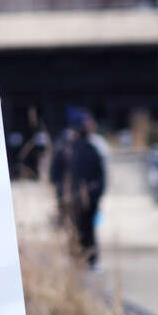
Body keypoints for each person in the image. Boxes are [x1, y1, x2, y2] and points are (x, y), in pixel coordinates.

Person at [50, 108, 105, 268]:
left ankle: (91, 260)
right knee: (73, 230)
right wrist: (64, 194)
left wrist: (94, 193)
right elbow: (55, 175)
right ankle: (75, 258)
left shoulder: (92, 147)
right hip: (71, 199)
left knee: (88, 230)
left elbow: (100, 175)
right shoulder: (64, 148)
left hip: (89, 200)